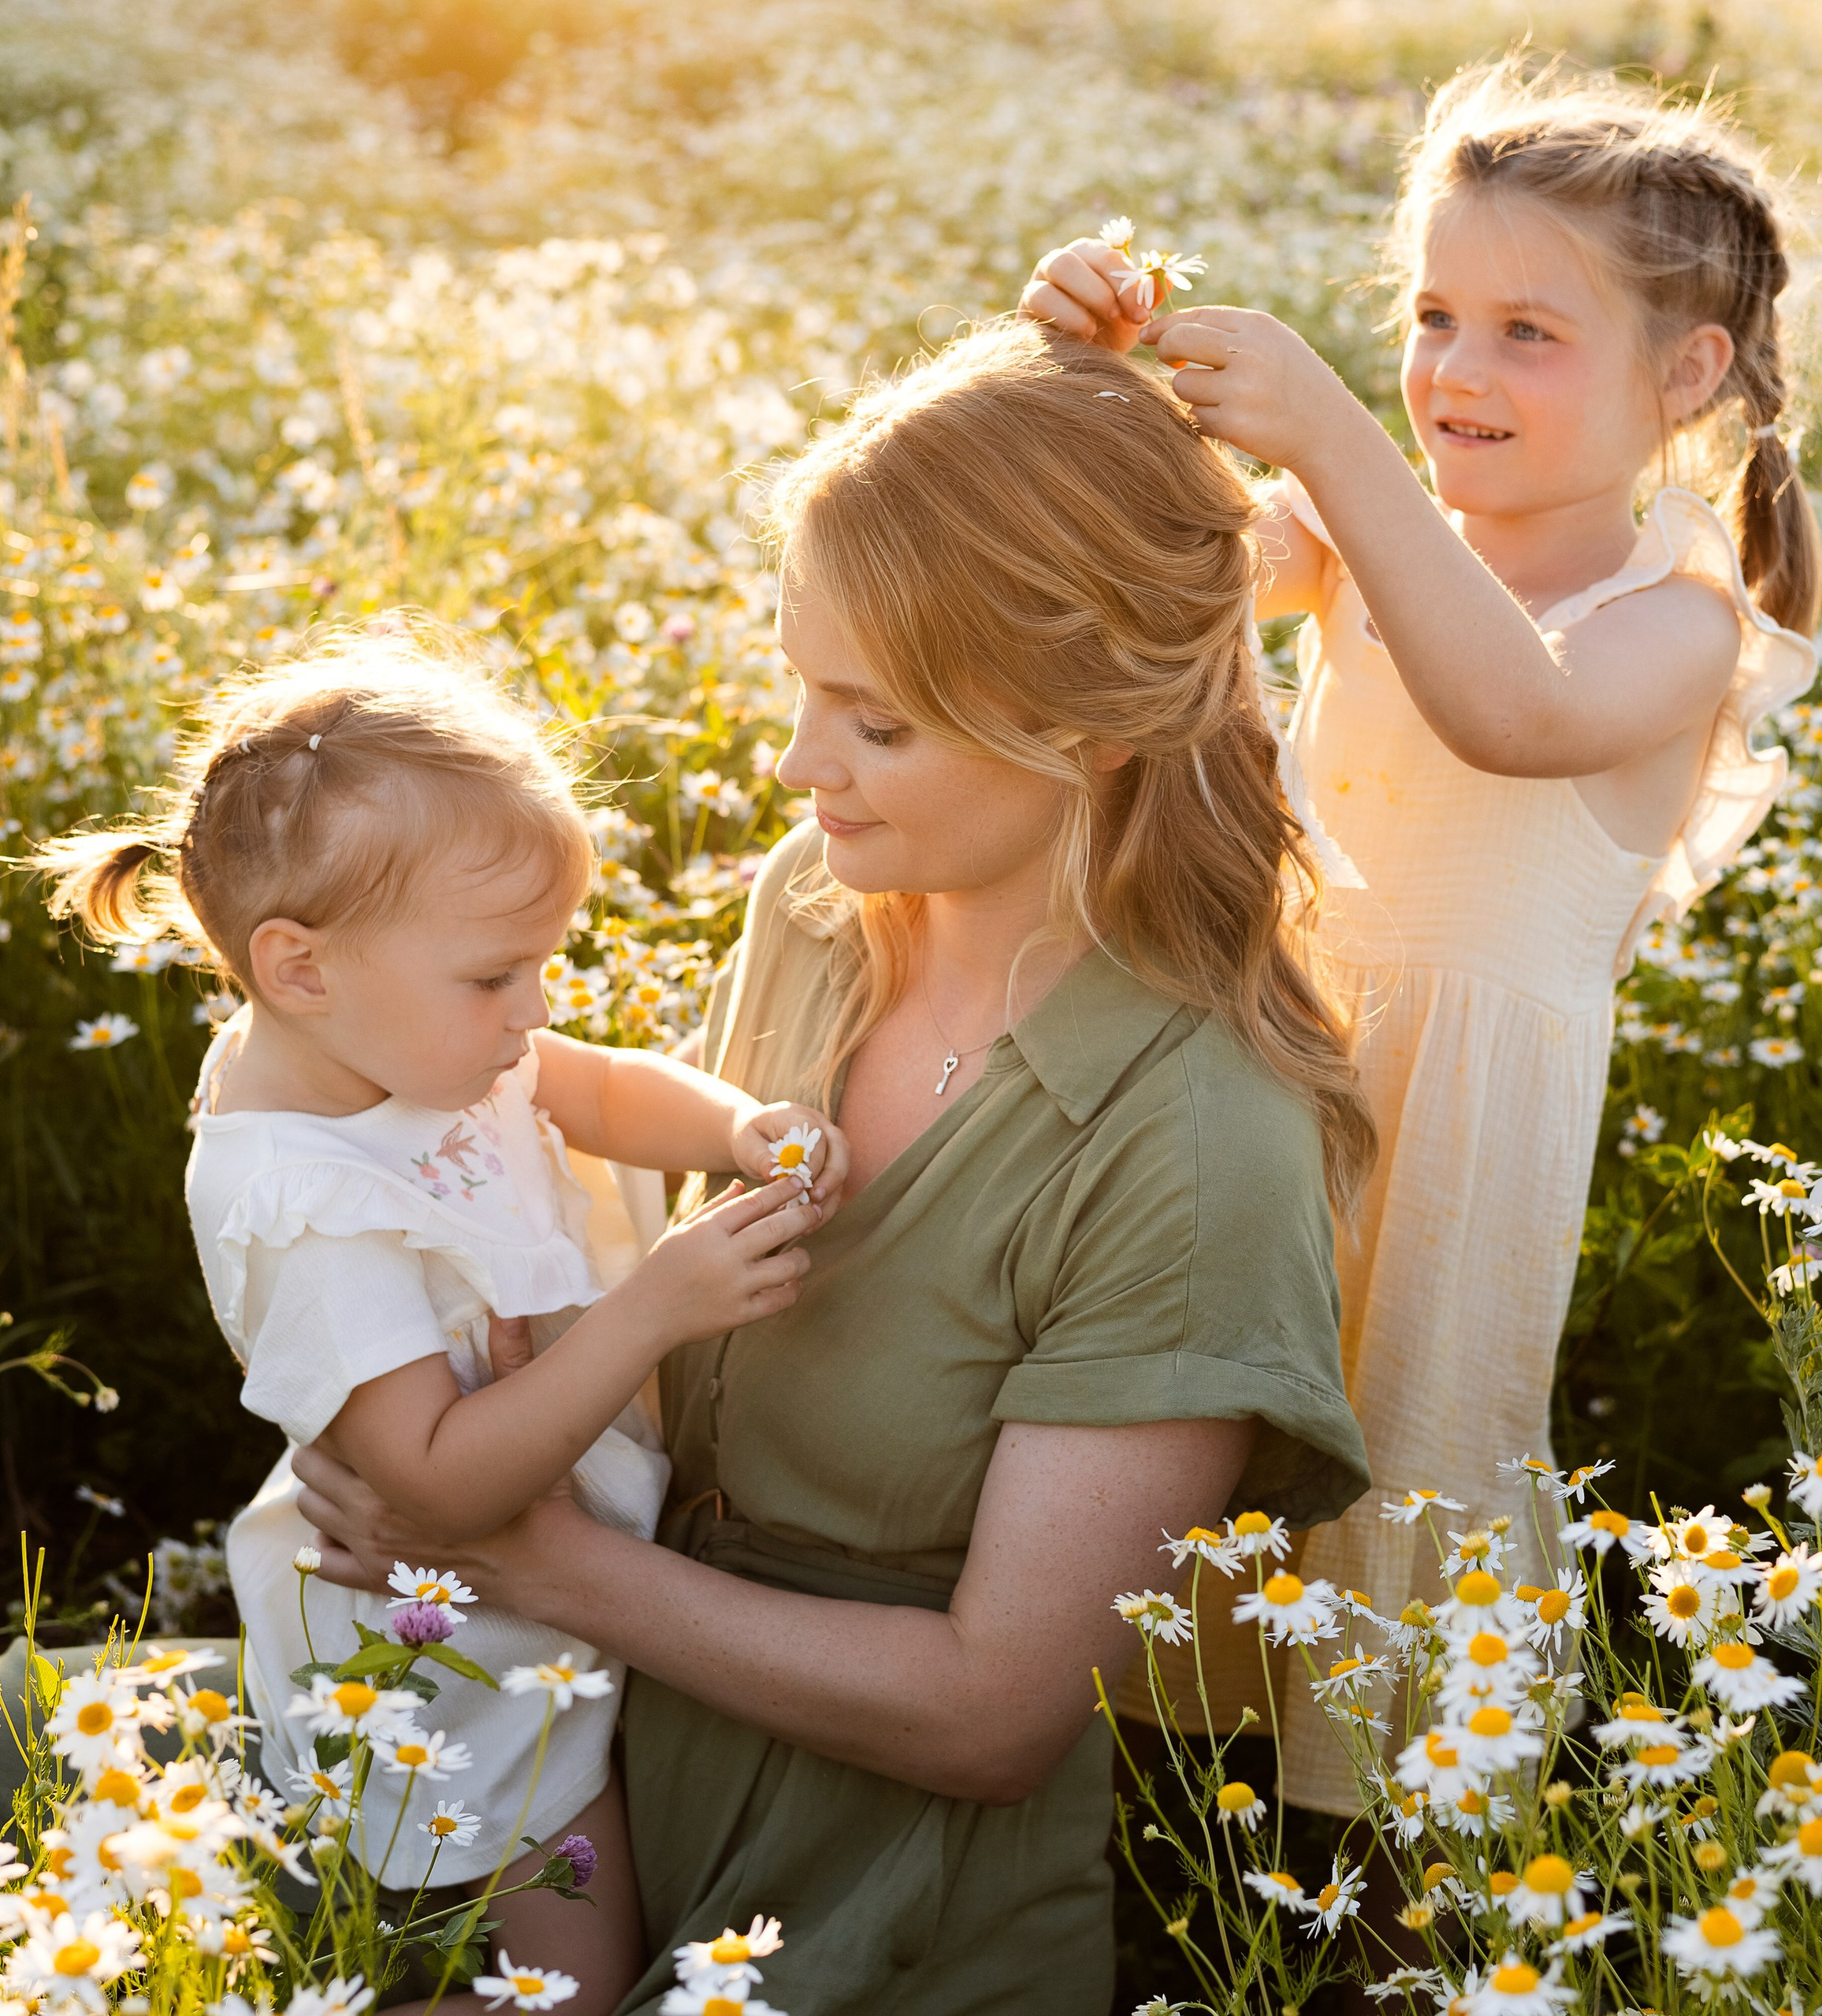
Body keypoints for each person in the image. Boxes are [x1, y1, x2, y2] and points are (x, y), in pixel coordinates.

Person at [288, 319, 1375, 2014]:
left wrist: (537, 1558)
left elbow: (992, 1712)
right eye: (803, 686)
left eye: (871, 722)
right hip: (565, 1740)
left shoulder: (1197, 1132)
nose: (800, 763)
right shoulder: (814, 903)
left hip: (868, 1887)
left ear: (1086, 724)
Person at [1019, 57, 1820, 1810]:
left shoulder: (1670, 617)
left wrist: (1327, 437)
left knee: (1397, 1488)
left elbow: (1505, 713)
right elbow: (1144, 573)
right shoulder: (1370, 526)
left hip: (1452, 1148)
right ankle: (1158, 1858)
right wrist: (1088, 376)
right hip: (1258, 1076)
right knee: (1188, 1451)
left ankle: (1387, 1924)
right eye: (1432, 311)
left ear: (1682, 376)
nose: (1454, 370)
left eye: (1529, 331)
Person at [38, 625, 843, 2014]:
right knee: (564, 1989)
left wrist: (736, 1123)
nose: (533, 1008)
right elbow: (434, 1483)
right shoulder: (303, 1198)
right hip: (445, 1660)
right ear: (297, 965)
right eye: (496, 974)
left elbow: (585, 1087)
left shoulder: (391, 1034)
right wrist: (653, 1308)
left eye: (541, 963)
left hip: (550, 1601)